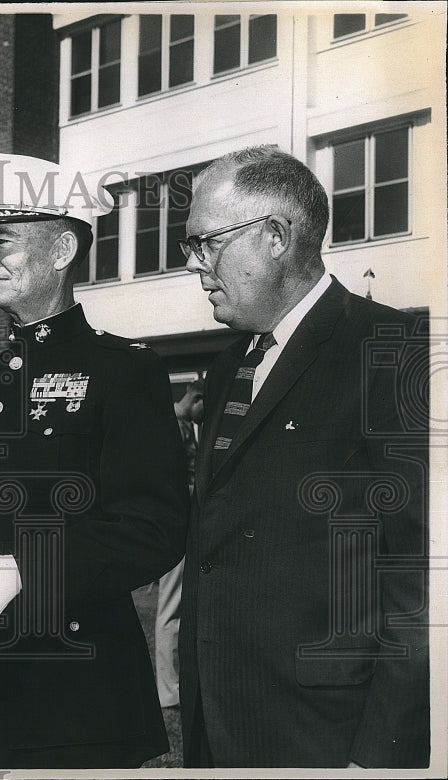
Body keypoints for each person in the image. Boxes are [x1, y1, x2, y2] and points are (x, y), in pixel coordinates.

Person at [0, 153, 189, 768]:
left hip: (77, 693)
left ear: (63, 249)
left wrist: (24, 572)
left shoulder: (124, 371)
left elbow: (153, 527)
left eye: (2, 239)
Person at [178, 146, 429, 768]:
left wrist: (379, 755)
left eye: (206, 242)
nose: (196, 266)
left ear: (274, 237)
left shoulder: (392, 351)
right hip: (220, 721)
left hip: (328, 736)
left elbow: (417, 577)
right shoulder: (227, 365)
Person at [154, 378, 204, 709]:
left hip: (179, 519)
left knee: (178, 606)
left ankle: (173, 684)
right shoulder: (175, 424)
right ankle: (169, 690)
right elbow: (167, 480)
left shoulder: (180, 423)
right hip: (176, 520)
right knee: (171, 608)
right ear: (196, 398)